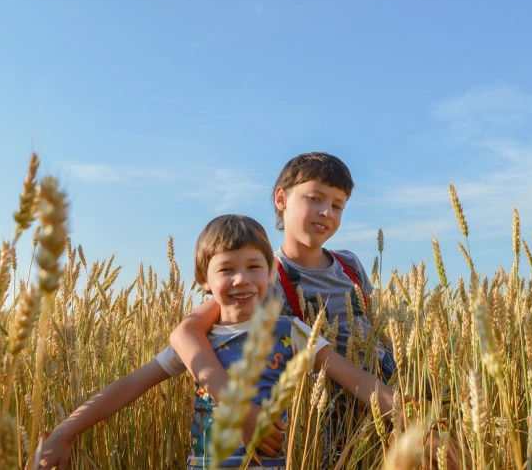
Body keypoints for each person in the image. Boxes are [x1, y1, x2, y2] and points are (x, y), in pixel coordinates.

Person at [38, 214, 396, 469]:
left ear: (272, 272)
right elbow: (129, 385)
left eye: (254, 267)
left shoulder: (293, 331)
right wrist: (63, 432)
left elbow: (358, 381)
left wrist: (414, 421)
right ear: (203, 280)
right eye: (226, 269)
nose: (241, 279)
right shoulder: (198, 344)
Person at [169, 153, 396, 460]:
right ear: (281, 198)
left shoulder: (351, 265)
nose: (326, 212)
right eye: (315, 198)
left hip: (380, 405)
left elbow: (374, 333)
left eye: (337, 205)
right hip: (322, 425)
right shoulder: (260, 278)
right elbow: (187, 332)